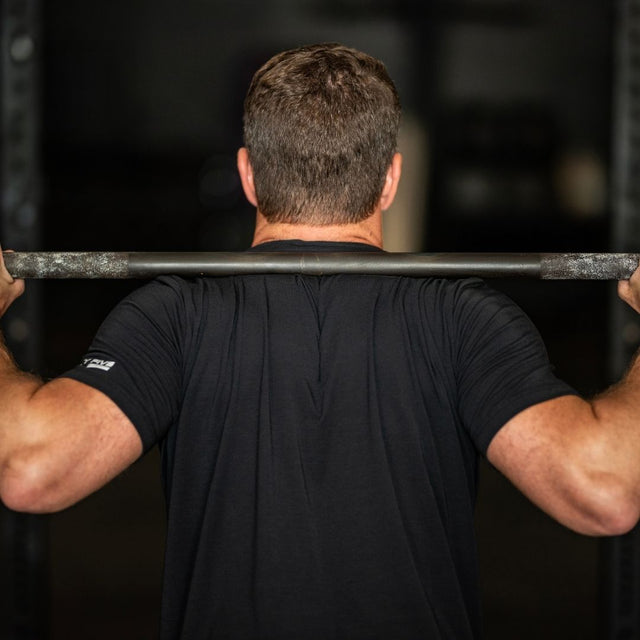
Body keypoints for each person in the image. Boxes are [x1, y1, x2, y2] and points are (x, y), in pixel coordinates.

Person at [1, 41, 640, 640]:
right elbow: (605, 489)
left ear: (248, 175)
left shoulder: (172, 316)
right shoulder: (465, 319)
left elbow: (29, 469)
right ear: (391, 178)